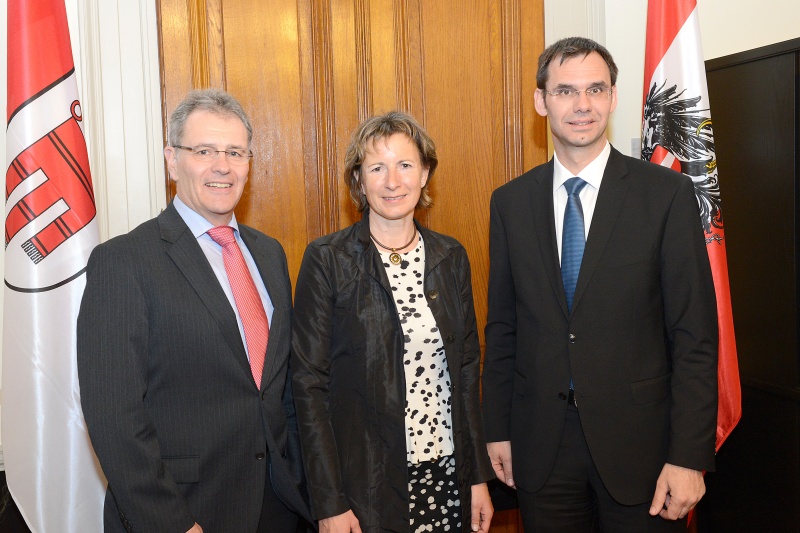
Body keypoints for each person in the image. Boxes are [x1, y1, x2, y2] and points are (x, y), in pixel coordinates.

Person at [481, 37, 719, 532]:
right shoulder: (510, 203)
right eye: (565, 91)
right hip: (541, 448)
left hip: (644, 450)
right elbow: (503, 329)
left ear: (612, 97)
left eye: (595, 89)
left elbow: (694, 335)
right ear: (541, 101)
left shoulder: (666, 194)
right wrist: (497, 430)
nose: (582, 104)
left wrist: (688, 456)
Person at [78, 89, 312, 533]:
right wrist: (171, 523)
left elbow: (281, 388)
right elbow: (114, 416)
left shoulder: (269, 254)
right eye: (204, 151)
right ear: (172, 161)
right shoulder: (124, 261)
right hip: (185, 511)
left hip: (279, 506)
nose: (222, 166)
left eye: (235, 152)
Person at [291, 111, 495, 533]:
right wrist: (329, 502)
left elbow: (465, 373)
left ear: (424, 174)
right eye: (377, 168)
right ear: (359, 180)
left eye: (405, 165)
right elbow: (308, 387)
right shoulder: (328, 260)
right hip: (364, 486)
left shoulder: (451, 257)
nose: (392, 181)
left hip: (446, 474)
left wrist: (477, 477)